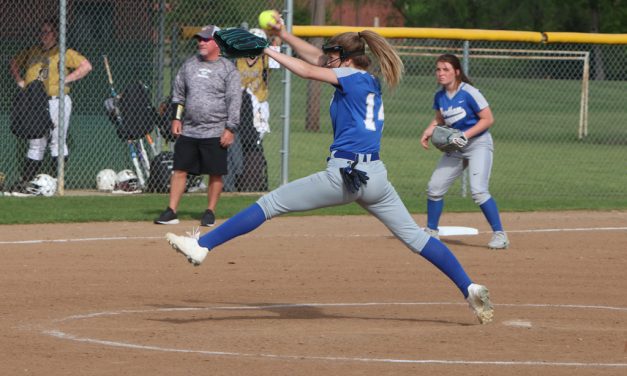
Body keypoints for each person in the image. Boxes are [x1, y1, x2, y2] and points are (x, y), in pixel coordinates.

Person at [164, 19, 494, 324]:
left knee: (272, 203)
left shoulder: (349, 77)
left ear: (347, 58)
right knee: (416, 238)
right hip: (375, 176)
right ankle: (469, 287)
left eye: (334, 54)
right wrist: (282, 37)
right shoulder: (368, 79)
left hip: (345, 175)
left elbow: (308, 71)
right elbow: (314, 59)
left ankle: (203, 245)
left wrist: (266, 49)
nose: (328, 59)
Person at [154, 25, 241, 227]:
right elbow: (178, 95)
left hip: (215, 130)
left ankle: (210, 212)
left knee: (215, 172)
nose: (200, 42)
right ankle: (171, 211)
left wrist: (230, 128)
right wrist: (176, 119)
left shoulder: (228, 69)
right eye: (199, 39)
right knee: (179, 169)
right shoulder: (189, 65)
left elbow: (234, 101)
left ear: (217, 42)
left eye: (205, 39)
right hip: (190, 129)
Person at [420, 54, 509, 249]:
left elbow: (487, 119)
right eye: (438, 69)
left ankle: (500, 235)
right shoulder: (440, 96)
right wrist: (429, 129)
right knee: (434, 188)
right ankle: (431, 232)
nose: (441, 73)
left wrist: (465, 136)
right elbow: (440, 118)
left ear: (457, 72)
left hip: (478, 144)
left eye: (446, 69)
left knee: (478, 190)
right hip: (456, 147)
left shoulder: (469, 92)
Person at [9, 19, 92, 194]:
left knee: (57, 141)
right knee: (36, 142)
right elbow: (14, 63)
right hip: (35, 103)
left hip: (57, 101)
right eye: (42, 32)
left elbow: (86, 66)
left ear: (56, 34)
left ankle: (55, 183)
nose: (43, 35)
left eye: (47, 32)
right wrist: (20, 81)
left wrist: (66, 80)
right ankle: (27, 183)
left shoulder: (63, 52)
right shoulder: (33, 51)